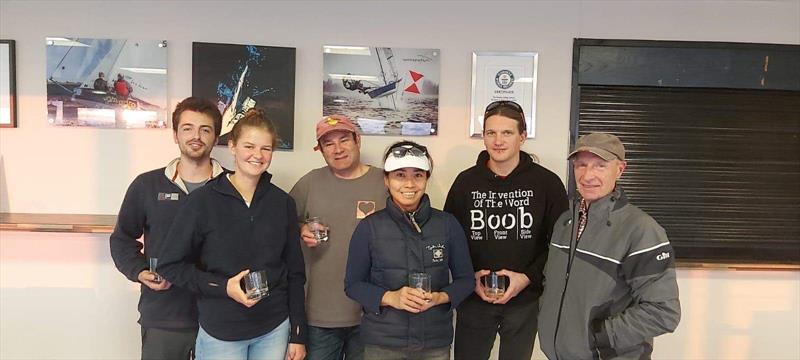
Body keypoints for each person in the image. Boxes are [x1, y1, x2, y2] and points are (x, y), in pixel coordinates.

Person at [157, 108, 307, 360]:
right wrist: (223, 287)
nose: (257, 155)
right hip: (221, 332)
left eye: (266, 149)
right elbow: (170, 265)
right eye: (249, 146)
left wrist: (298, 335)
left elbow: (295, 272)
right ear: (233, 146)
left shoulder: (282, 203)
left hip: (274, 328)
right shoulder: (202, 202)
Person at [538, 133, 681, 360]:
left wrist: (600, 337)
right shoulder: (565, 222)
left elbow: (663, 312)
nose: (587, 175)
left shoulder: (641, 230)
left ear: (620, 169)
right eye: (581, 165)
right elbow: (552, 283)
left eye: (600, 166)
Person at [444, 100, 569, 360]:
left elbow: (559, 244)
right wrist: (469, 277)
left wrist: (528, 277)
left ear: (522, 136)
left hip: (525, 301)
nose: (498, 141)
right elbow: (449, 239)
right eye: (491, 133)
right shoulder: (465, 182)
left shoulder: (547, 183)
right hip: (475, 299)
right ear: (484, 137)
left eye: (507, 133)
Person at [110, 96, 225, 360]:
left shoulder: (232, 187)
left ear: (216, 137)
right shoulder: (146, 185)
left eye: (205, 129)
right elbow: (122, 239)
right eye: (187, 128)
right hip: (164, 317)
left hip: (222, 319)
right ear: (175, 135)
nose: (196, 136)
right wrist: (139, 272)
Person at [345, 141, 474, 360]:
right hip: (383, 343)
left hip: (435, 341)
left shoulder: (447, 224)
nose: (410, 184)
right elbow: (353, 285)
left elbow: (466, 280)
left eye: (418, 175)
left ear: (426, 179)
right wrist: (391, 297)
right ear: (386, 180)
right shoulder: (369, 227)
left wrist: (440, 297)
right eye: (400, 175)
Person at [289, 115, 387, 360]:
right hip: (320, 315)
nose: (338, 149)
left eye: (344, 140)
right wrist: (301, 227)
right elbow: (281, 224)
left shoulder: (384, 182)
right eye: (328, 144)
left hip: (373, 313)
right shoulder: (310, 182)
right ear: (320, 150)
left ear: (358, 140)